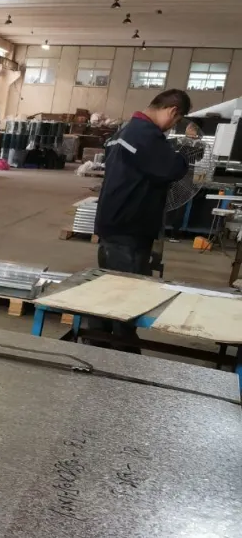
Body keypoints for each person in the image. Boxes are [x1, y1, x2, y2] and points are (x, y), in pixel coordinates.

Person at [90, 88, 201, 350]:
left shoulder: (126, 131)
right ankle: (121, 354)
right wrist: (186, 151)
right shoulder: (146, 135)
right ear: (173, 112)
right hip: (130, 227)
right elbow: (171, 169)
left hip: (114, 222)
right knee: (126, 296)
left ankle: (98, 344)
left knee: (108, 288)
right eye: (175, 121)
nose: (171, 127)